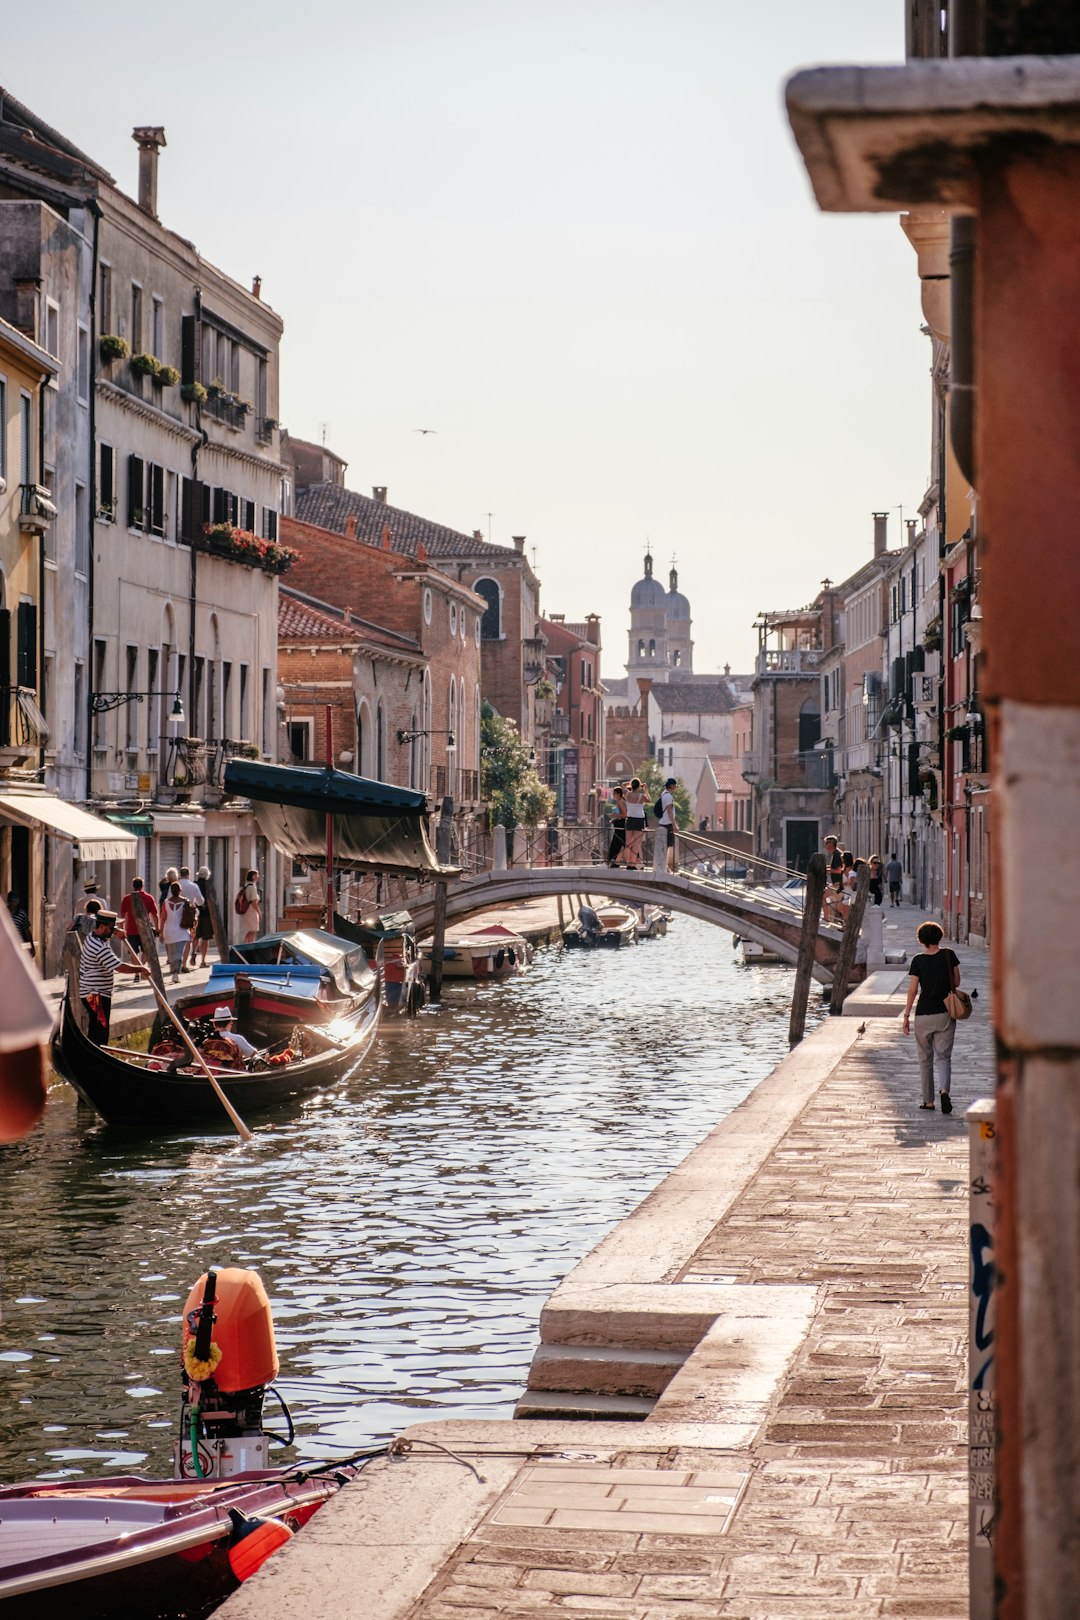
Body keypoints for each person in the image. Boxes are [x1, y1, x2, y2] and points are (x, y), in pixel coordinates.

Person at [902, 920, 961, 1113]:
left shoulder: (918, 960)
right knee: (944, 1057)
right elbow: (957, 981)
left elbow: (912, 991)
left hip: (923, 1015)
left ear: (921, 940)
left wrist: (906, 1015)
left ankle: (928, 1101)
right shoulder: (949, 955)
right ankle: (944, 1091)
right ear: (939, 937)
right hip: (945, 1012)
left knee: (925, 1059)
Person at [78, 910, 149, 1046]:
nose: (113, 931)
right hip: (95, 994)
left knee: (97, 1028)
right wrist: (141, 969)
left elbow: (101, 924)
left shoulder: (91, 936)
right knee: (100, 1031)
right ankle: (97, 1056)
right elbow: (119, 967)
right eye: (111, 927)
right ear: (102, 927)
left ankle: (95, 1055)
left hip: (94, 992)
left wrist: (115, 930)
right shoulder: (99, 947)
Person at [118, 877, 159, 958]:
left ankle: (137, 968)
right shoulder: (149, 898)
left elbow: (122, 915)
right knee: (147, 951)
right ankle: (142, 966)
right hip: (145, 929)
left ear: (133, 886)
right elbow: (155, 914)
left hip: (131, 930)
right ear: (142, 885)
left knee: (133, 953)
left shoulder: (126, 898)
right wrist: (157, 928)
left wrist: (121, 928)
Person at [160, 882, 190, 982]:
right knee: (179, 954)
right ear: (180, 890)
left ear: (170, 891)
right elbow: (189, 917)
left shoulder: (166, 902)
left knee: (172, 954)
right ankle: (176, 973)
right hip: (181, 931)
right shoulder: (185, 901)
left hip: (168, 931)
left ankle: (174, 972)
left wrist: (161, 933)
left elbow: (163, 918)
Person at [177, 866, 203, 972]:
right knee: (188, 939)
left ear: (180, 874)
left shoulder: (175, 885)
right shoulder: (193, 886)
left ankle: (177, 961)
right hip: (189, 915)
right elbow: (200, 901)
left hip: (177, 914)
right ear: (188, 874)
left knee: (177, 939)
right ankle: (184, 964)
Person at [193, 865, 215, 968]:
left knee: (196, 936)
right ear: (207, 875)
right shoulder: (208, 885)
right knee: (205, 939)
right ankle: (203, 960)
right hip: (206, 915)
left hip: (195, 914)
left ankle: (193, 953)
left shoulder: (194, 884)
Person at [622, 781, 647, 869]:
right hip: (639, 820)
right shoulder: (641, 796)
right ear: (639, 786)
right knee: (636, 844)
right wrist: (645, 789)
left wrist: (630, 782)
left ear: (632, 786)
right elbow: (649, 799)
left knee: (628, 844)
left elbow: (623, 785)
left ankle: (628, 863)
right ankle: (633, 863)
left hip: (629, 820)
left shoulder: (627, 795)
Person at [659, 778, 678, 872]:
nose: (676, 787)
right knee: (666, 846)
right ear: (672, 786)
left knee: (666, 846)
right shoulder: (668, 796)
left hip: (665, 822)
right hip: (667, 823)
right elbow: (669, 811)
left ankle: (664, 866)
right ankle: (664, 866)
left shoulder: (664, 794)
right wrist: (674, 825)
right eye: (675, 785)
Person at [607, 785, 628, 868]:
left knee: (617, 843)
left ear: (618, 794)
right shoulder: (620, 801)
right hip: (619, 823)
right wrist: (614, 819)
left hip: (621, 825)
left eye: (614, 794)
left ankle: (613, 861)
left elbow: (624, 815)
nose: (613, 795)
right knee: (620, 843)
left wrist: (614, 814)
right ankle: (616, 861)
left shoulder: (620, 802)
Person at [241, 869, 262, 943]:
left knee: (251, 930)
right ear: (253, 876)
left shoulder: (247, 885)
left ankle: (245, 944)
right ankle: (249, 945)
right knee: (253, 930)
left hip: (247, 910)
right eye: (257, 875)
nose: (258, 876)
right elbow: (254, 902)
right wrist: (259, 912)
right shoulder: (252, 887)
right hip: (251, 911)